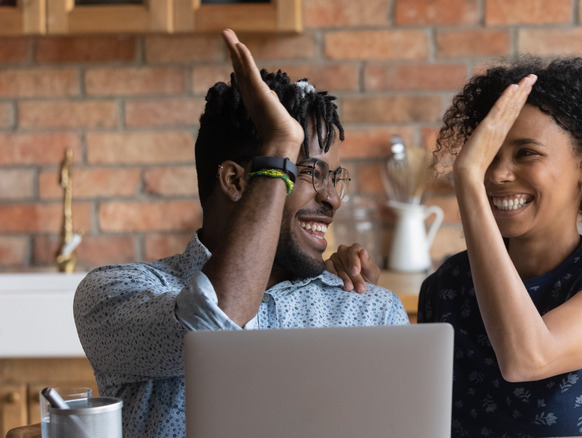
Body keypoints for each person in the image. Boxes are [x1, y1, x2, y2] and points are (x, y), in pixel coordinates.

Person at [73, 29, 408, 438]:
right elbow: (215, 325)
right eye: (308, 173)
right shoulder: (116, 294)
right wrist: (281, 144)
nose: (333, 199)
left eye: (334, 178)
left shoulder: (369, 311)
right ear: (235, 181)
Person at [416, 55, 582, 436]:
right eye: (488, 156)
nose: (498, 174)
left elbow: (528, 358)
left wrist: (468, 177)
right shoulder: (448, 285)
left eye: (526, 153)